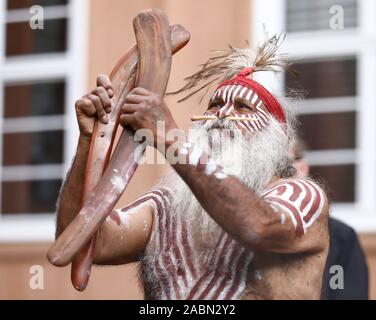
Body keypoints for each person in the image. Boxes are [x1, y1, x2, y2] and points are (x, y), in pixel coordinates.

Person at [56, 36, 330, 299]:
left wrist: (170, 138)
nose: (222, 115)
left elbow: (259, 226)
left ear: (275, 136)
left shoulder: (301, 197)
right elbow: (81, 240)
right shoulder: (167, 205)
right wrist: (89, 143)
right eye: (215, 105)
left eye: (243, 107)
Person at [290, 137, 369, 300]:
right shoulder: (242, 237)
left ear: (303, 168)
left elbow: (347, 294)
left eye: (282, 167)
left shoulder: (340, 237)